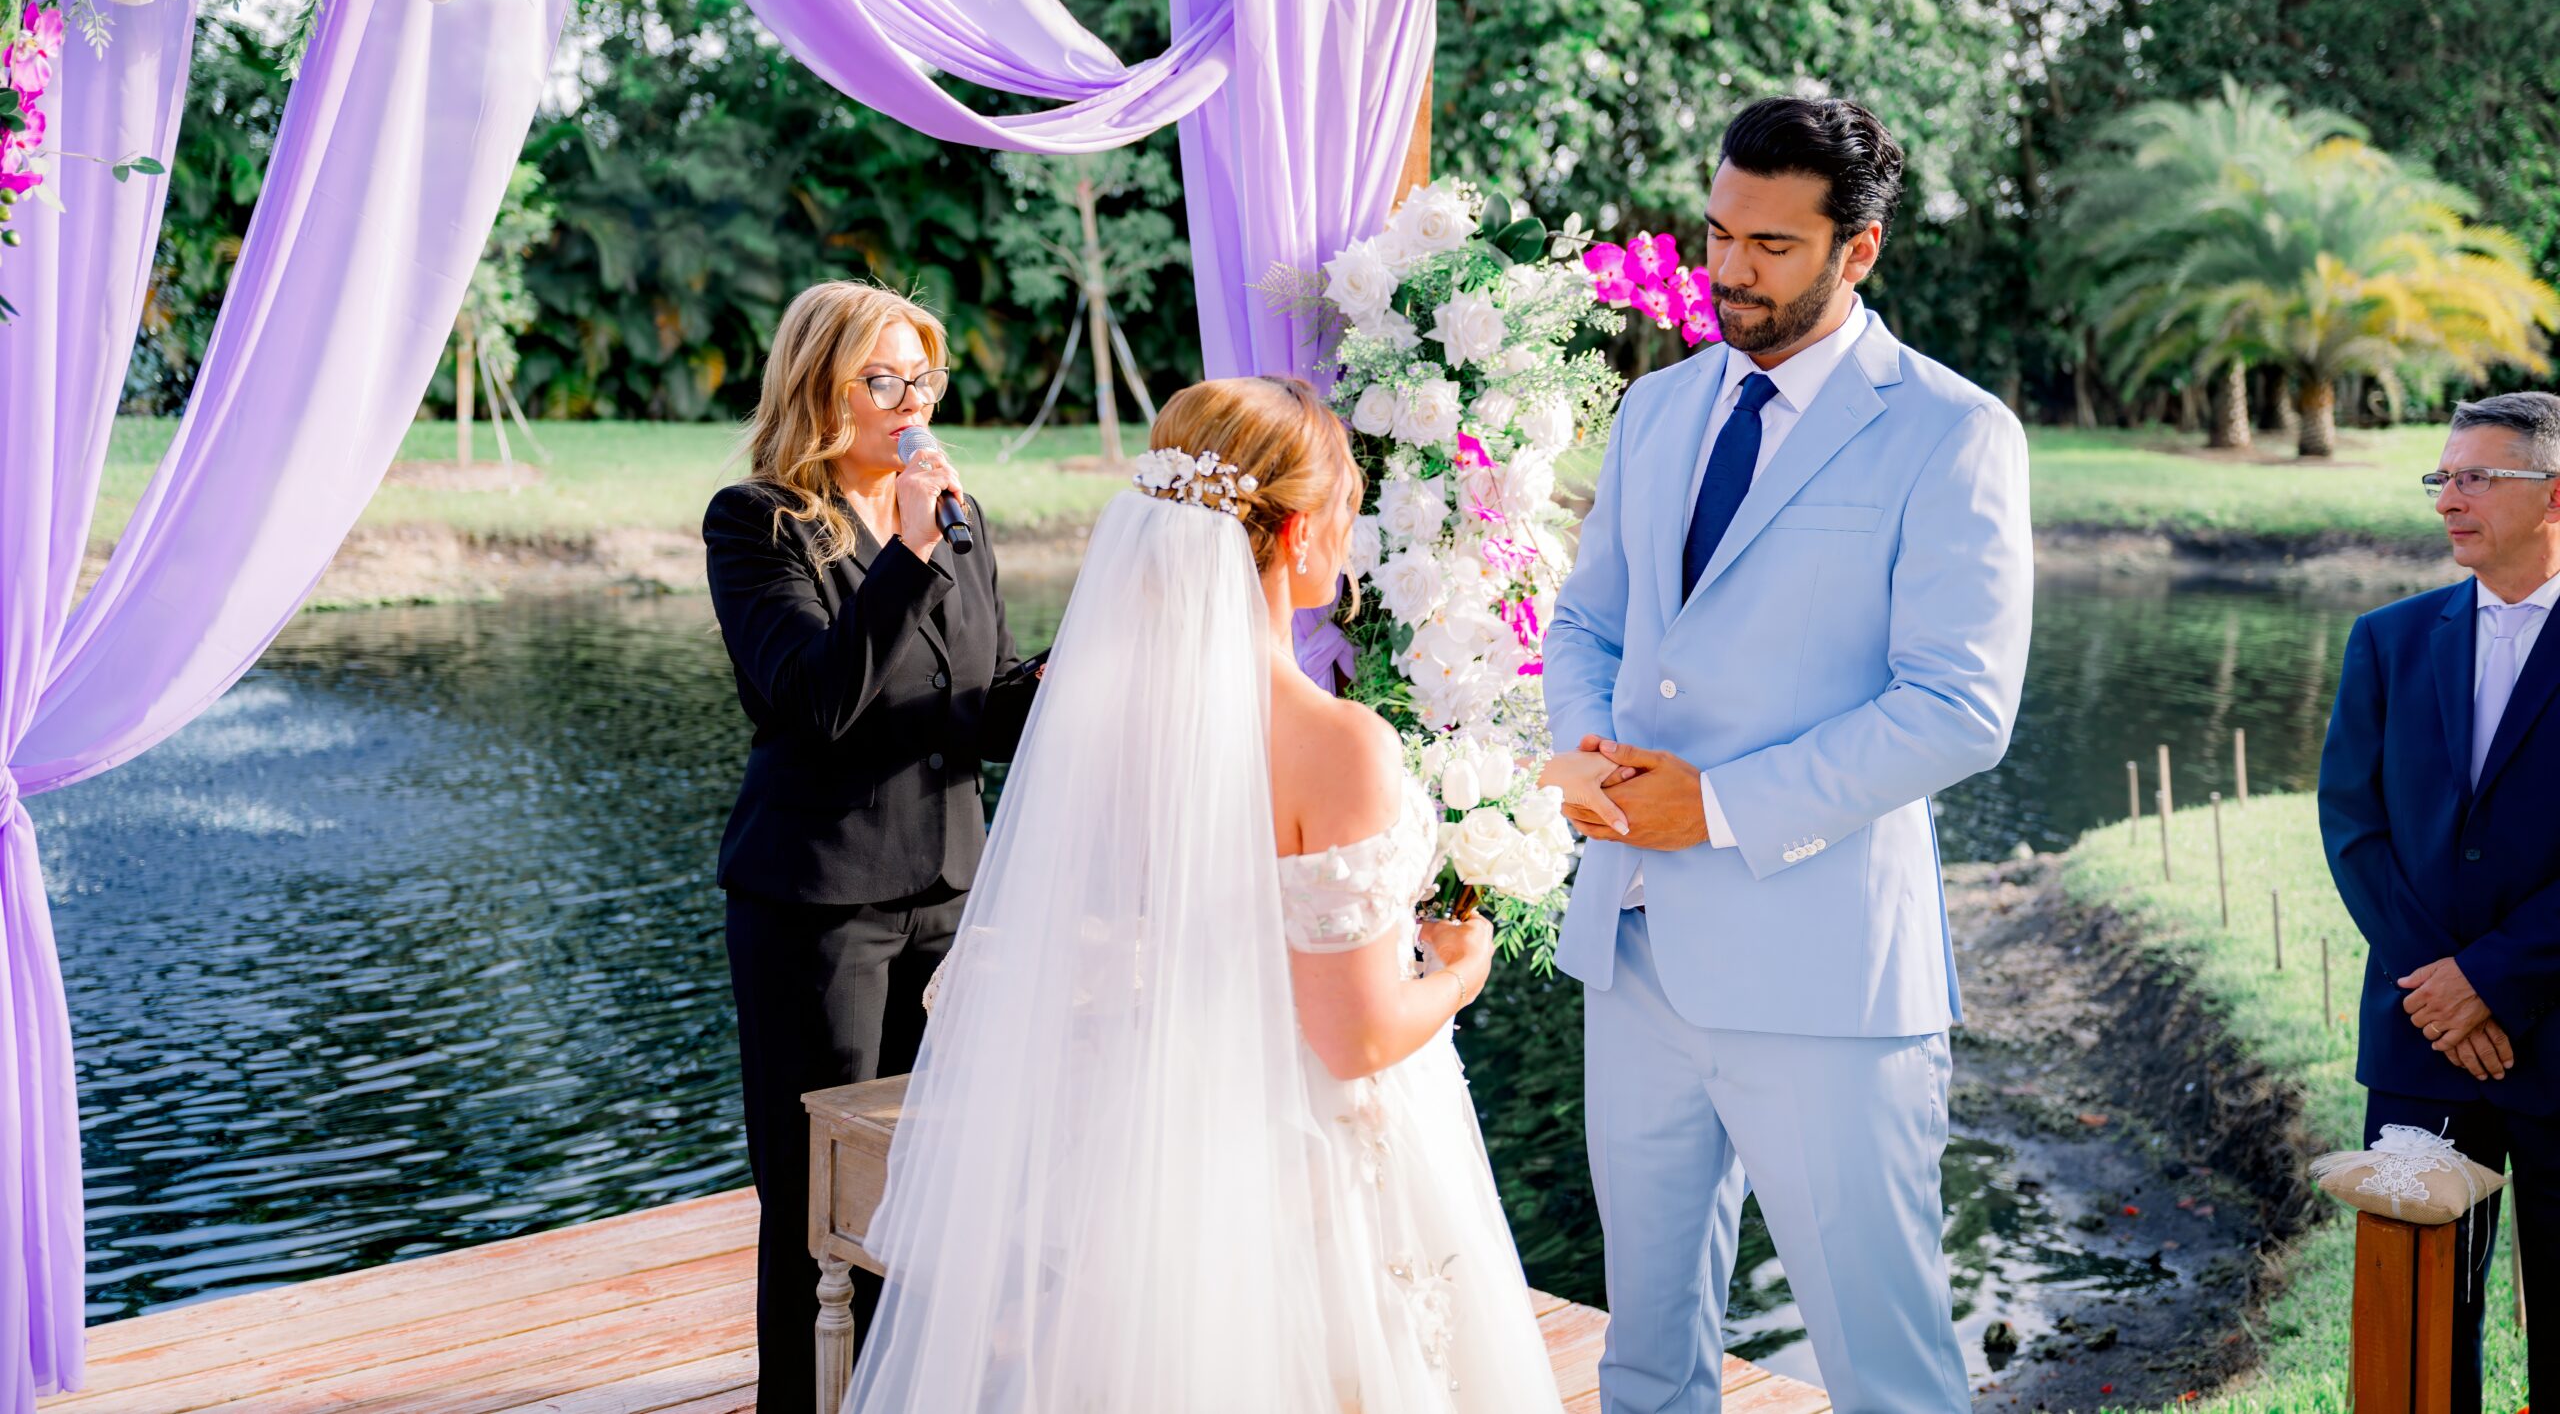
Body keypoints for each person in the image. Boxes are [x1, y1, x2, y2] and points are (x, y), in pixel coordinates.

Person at [844, 376, 1562, 1413]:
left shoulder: (1091, 719)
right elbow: (1351, 1037)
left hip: (1149, 1151)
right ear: (1302, 530)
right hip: (1308, 1171)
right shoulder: (1336, 744)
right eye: (1349, 513)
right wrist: (1458, 975)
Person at [1539, 97, 2034, 1413]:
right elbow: (1588, 617)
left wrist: (1722, 805)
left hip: (1825, 975)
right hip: (1631, 946)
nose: (1730, 268)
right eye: (1716, 232)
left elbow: (1960, 705)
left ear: (1857, 250)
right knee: (1644, 1354)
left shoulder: (1951, 430)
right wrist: (1582, 752)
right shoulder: (1655, 408)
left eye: (1769, 243)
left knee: (1886, 1366)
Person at [703, 281, 1041, 1414]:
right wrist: (901, 551)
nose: (909, 404)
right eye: (882, 379)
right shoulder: (756, 521)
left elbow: (976, 702)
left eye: (922, 379)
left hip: (950, 897)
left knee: (930, 1186)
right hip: (818, 909)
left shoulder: (959, 514)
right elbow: (815, 701)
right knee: (817, 1201)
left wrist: (1069, 680)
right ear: (819, 385)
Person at [2320, 390, 2560, 1414]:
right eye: (2441, 478)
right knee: (2415, 1333)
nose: (2446, 499)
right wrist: (2440, 989)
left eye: (2475, 478)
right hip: (2419, 1045)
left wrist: (2493, 980)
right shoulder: (2386, 639)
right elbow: (2352, 826)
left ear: (2553, 493)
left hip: (2553, 1032)